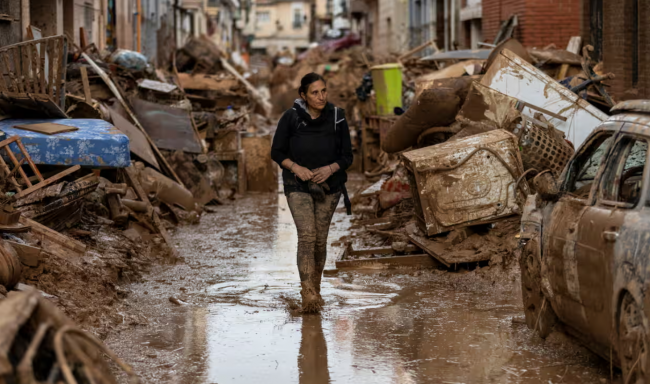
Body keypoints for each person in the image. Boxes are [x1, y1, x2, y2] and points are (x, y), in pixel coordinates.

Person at [271, 72, 353, 313]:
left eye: (324, 91)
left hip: (331, 186)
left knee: (319, 239)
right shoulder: (291, 118)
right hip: (298, 185)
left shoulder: (337, 117)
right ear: (303, 96)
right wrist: (297, 168)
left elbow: (347, 156)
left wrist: (329, 169)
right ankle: (307, 292)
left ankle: (315, 290)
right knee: (307, 236)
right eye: (314, 93)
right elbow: (277, 152)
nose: (321, 96)